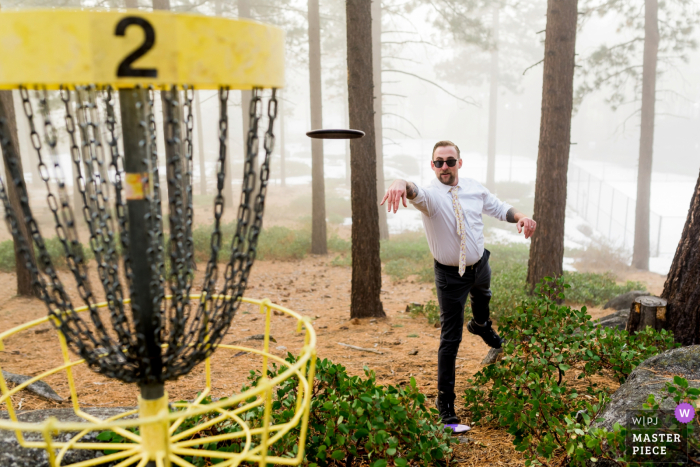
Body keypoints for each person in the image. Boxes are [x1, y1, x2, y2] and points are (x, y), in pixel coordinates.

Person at [380, 140, 537, 425]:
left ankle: (480, 325)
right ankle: (446, 407)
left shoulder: (475, 188)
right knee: (450, 340)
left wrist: (523, 216)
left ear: (459, 164)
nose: (444, 167)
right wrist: (399, 182)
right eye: (439, 162)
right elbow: (413, 190)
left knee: (484, 297)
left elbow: (500, 208)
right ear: (432, 165)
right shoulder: (430, 197)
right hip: (450, 277)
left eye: (450, 161)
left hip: (481, 265)